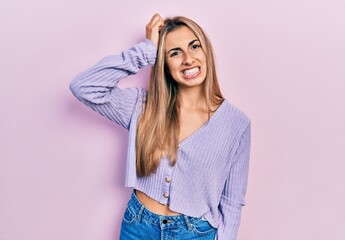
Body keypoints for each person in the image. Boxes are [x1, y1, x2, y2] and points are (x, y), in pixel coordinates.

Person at [69, 13, 251, 240]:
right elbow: (84, 87)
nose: (188, 59)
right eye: (175, 52)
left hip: (196, 233)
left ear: (207, 52)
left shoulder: (236, 123)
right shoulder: (142, 106)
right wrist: (145, 51)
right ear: (163, 63)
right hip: (138, 227)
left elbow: (232, 201)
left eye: (195, 46)